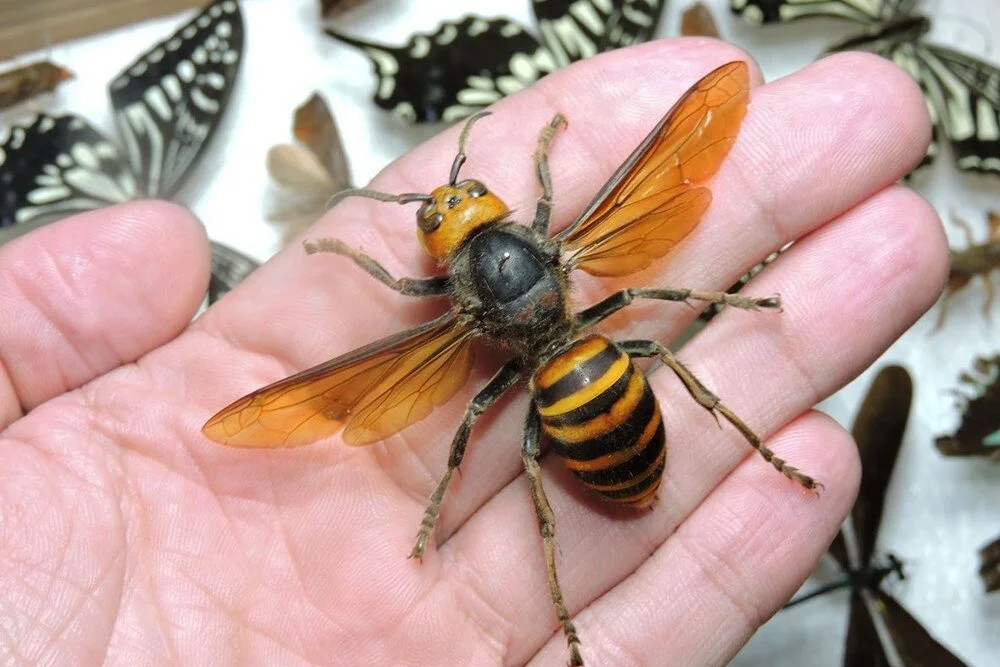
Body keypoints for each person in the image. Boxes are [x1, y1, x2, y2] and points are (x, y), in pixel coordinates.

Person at [0, 40, 946, 665]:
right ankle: (758, 434)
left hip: (570, 399)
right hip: (596, 373)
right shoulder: (557, 243)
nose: (453, 208)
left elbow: (426, 367)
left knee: (516, 443)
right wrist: (728, 293)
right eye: (449, 211)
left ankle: (571, 585)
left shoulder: (452, 315)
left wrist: (346, 247)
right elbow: (621, 243)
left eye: (458, 202)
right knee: (660, 325)